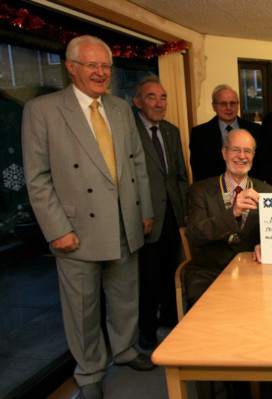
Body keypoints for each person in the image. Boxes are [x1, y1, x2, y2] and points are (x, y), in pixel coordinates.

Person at [22, 35, 155, 399]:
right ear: (71, 67)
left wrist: (144, 211)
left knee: (126, 297)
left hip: (125, 222)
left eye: (105, 66)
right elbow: (37, 178)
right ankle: (90, 372)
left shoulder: (119, 107)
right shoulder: (43, 110)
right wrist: (57, 229)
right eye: (91, 65)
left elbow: (136, 164)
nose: (100, 73)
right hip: (76, 230)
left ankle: (125, 351)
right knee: (82, 309)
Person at [184, 129, 272, 305]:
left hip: (253, 273)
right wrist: (232, 214)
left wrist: (264, 244)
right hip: (209, 273)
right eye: (235, 149)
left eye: (247, 151)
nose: (241, 156)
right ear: (224, 152)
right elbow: (194, 234)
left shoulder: (268, 192)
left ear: (253, 155)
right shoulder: (200, 190)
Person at [132, 75, 189, 350]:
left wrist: (185, 210)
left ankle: (169, 317)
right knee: (147, 277)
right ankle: (147, 331)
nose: (159, 103)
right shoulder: (129, 132)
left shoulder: (171, 131)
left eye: (163, 97)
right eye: (151, 97)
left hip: (173, 214)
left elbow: (179, 175)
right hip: (146, 216)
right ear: (137, 102)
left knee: (170, 268)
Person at [189, 84, 261, 181]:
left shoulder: (255, 130)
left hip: (250, 189)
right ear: (214, 106)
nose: (228, 108)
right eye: (223, 104)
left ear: (238, 105)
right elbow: (198, 169)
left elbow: (261, 164)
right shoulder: (199, 134)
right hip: (213, 191)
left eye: (232, 103)